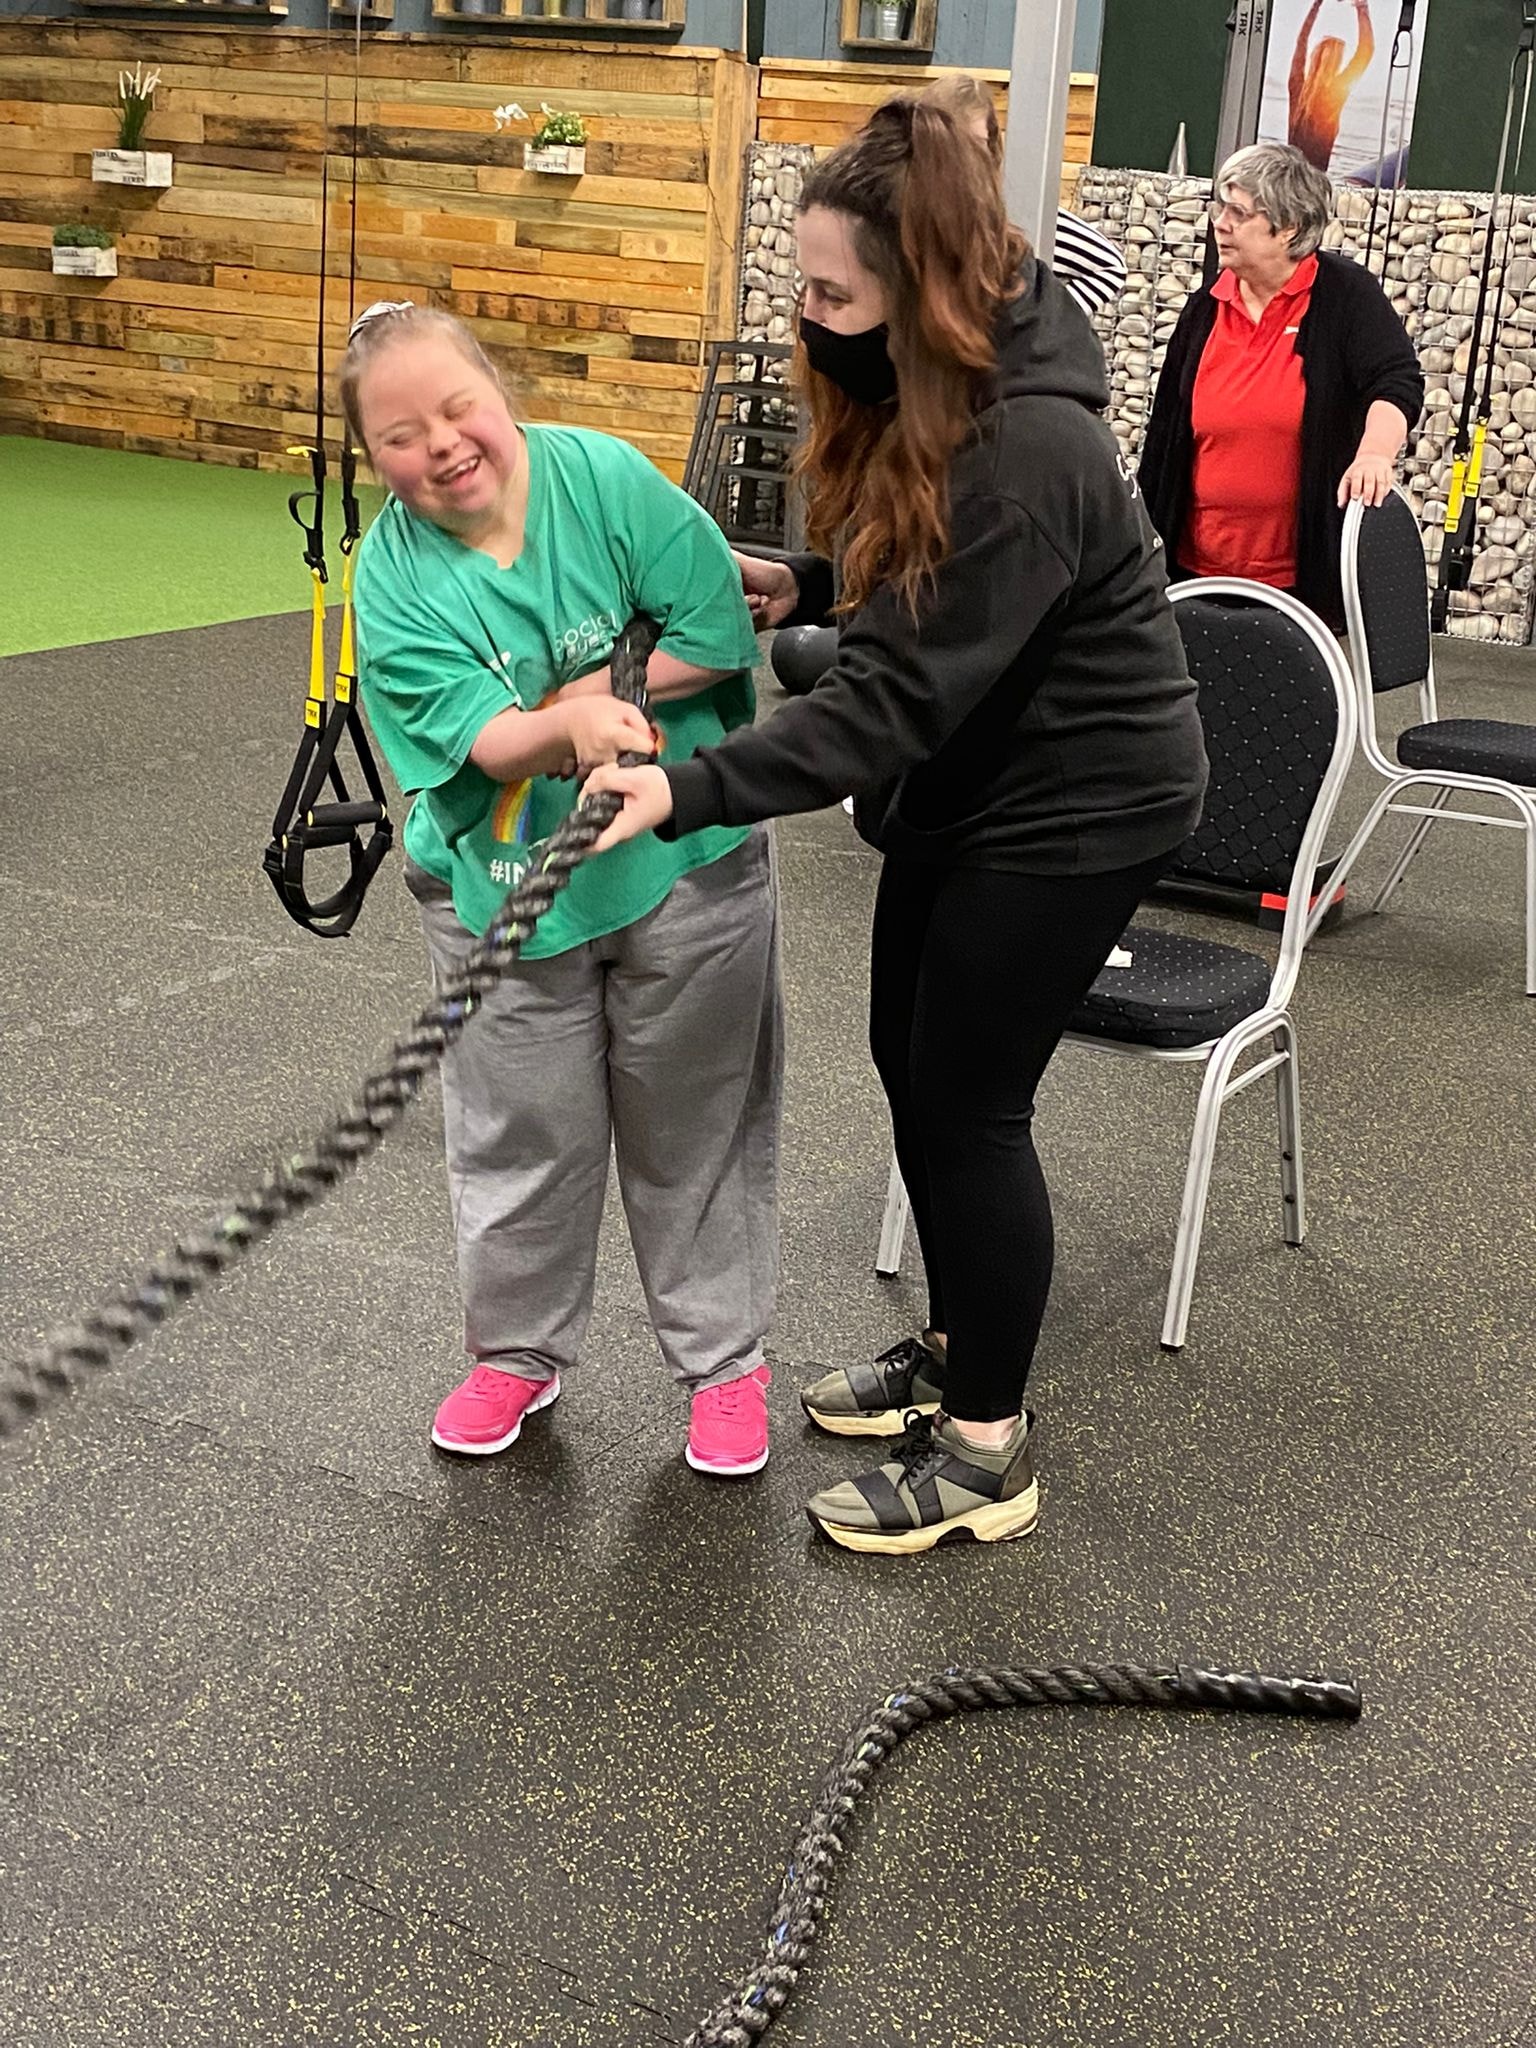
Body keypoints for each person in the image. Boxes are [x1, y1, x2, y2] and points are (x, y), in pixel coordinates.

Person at [585, 99, 1209, 1558]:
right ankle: (958, 1338)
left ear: (918, 295)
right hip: (977, 778)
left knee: (971, 1105)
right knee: (907, 1063)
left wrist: (685, 788)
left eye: (831, 296)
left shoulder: (1032, 445)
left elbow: (885, 706)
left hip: (1078, 805)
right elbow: (925, 589)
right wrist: (809, 585)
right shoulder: (954, 387)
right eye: (802, 286)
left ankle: (987, 1446)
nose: (808, 320)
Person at [343, 301, 782, 1479]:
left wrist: (600, 696)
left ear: (500, 389)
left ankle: (724, 1361)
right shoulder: (392, 578)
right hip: (504, 899)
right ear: (373, 459)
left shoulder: (604, 478)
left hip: (681, 865)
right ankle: (516, 1349)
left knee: (694, 1120)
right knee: (519, 1129)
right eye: (400, 437)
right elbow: (482, 741)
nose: (441, 446)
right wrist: (568, 721)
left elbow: (716, 624)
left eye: (457, 408)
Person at [1138, 141, 1422, 626]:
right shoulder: (1204, 307)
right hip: (1193, 574)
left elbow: (1396, 382)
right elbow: (1164, 438)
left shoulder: (1345, 295)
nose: (1220, 223)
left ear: (1288, 226)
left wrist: (1375, 454)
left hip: (1299, 582)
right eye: (1220, 208)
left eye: (1239, 212)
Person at [918, 73, 1129, 321]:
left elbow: (1110, 266)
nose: (963, 155)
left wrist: (1045, 325)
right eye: (950, 141)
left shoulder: (1007, 213)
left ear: (991, 147)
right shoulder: (900, 207)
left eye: (975, 143)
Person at [1289, 0, 1375, 173]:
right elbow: (1366, 50)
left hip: (1291, 173)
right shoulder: (1334, 94)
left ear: (1314, 57)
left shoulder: (1297, 88)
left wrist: (1316, 5)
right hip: (1316, 179)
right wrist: (1362, 8)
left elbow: (1301, 42)